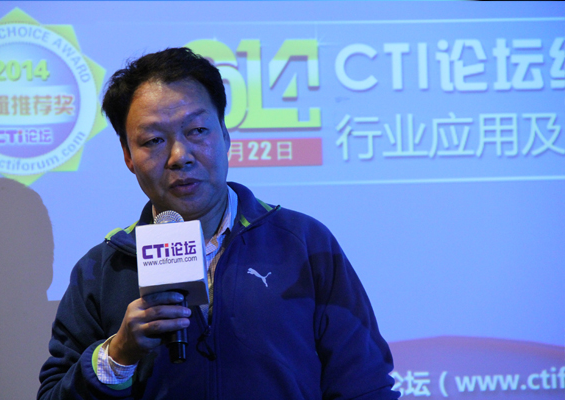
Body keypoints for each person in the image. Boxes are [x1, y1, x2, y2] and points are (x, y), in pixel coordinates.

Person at [38, 47, 398, 400]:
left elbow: (365, 385)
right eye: (154, 140)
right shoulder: (102, 271)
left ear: (225, 135)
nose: (180, 156)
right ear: (128, 156)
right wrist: (117, 356)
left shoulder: (303, 243)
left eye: (197, 130)